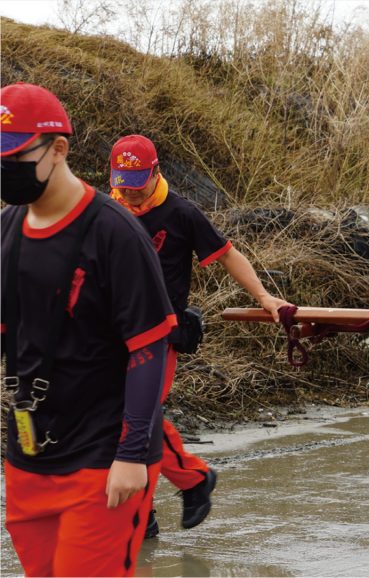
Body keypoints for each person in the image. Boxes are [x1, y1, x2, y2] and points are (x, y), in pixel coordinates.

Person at [1, 82, 174, 576]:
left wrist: (131, 454)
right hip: (29, 453)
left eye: (14, 158)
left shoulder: (115, 232)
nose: (5, 172)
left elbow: (148, 346)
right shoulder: (6, 229)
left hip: (101, 459)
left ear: (58, 150)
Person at [107, 134, 291, 537]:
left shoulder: (181, 213)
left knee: (136, 420)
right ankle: (191, 480)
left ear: (155, 172)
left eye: (137, 188)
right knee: (125, 420)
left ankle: (142, 516)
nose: (131, 197)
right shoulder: (105, 211)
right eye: (123, 187)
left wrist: (263, 296)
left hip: (158, 336)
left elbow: (226, 253)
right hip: (108, 337)